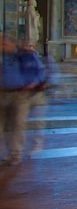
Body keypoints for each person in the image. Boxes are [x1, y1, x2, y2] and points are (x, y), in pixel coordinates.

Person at [0, 35, 47, 166]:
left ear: (12, 44)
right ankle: (7, 153)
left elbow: (40, 72)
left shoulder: (26, 55)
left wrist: (32, 83)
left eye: (4, 44)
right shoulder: (2, 57)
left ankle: (16, 154)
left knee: (17, 124)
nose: (2, 47)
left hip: (21, 94)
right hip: (3, 93)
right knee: (4, 125)